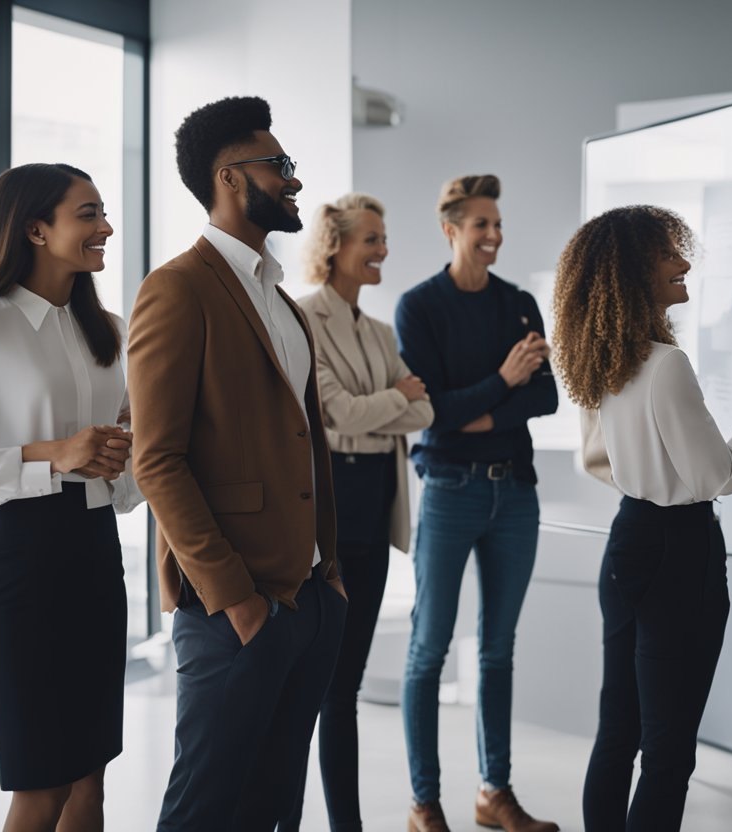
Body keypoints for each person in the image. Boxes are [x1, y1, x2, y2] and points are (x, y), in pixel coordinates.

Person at [552, 205, 732, 832]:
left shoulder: (605, 357)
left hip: (630, 539)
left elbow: (614, 461)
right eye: (670, 253)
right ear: (633, 269)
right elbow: (720, 476)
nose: (684, 262)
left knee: (618, 732)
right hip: (679, 553)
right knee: (668, 752)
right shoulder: (665, 365)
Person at [128, 96, 348, 830]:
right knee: (205, 810)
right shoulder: (177, 289)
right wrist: (237, 601)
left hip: (310, 597)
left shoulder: (279, 299)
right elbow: (157, 461)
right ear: (231, 177)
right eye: (278, 166)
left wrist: (330, 579)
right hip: (236, 610)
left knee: (273, 803)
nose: (292, 181)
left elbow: (302, 440)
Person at [0, 163, 139, 832]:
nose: (106, 226)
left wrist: (127, 456)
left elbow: (125, 462)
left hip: (96, 555)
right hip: (24, 562)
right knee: (40, 787)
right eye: (88, 214)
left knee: (90, 782)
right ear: (34, 229)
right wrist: (52, 456)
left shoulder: (106, 327)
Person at [394, 174, 559, 832]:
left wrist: (480, 409)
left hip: (515, 493)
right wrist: (504, 381)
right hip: (450, 495)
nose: (494, 235)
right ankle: (423, 802)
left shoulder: (519, 304)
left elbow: (545, 399)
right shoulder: (419, 307)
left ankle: (495, 794)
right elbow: (429, 415)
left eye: (498, 224)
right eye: (481, 225)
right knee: (428, 650)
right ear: (450, 229)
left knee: (497, 651)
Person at [285, 193, 434, 831]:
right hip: (328, 506)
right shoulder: (303, 317)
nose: (382, 250)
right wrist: (392, 399)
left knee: (345, 684)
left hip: (377, 504)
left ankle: (347, 825)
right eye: (371, 239)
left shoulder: (380, 331)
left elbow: (424, 412)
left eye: (383, 238)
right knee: (311, 685)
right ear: (335, 246)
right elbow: (332, 412)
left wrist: (387, 401)